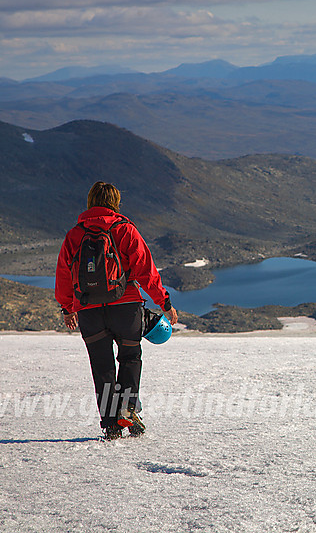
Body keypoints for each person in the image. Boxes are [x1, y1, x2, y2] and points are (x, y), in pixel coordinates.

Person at [55, 181, 178, 441]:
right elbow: (146, 269)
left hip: (88, 310)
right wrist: (164, 302)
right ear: (115, 201)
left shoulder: (75, 235)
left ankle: (111, 424)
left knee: (102, 367)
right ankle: (128, 409)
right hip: (126, 307)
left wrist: (67, 308)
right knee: (130, 357)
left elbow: (64, 275)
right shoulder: (124, 229)